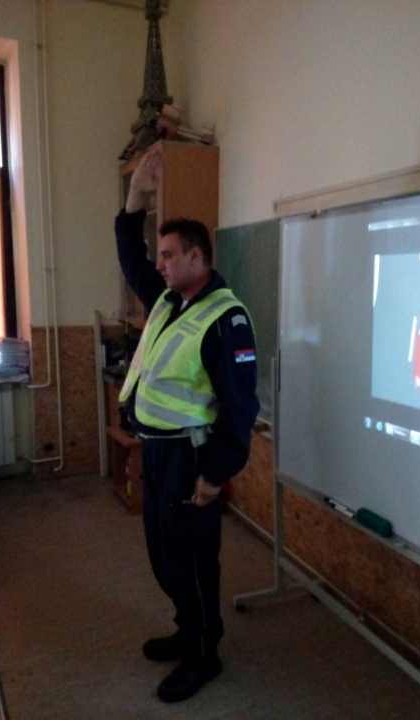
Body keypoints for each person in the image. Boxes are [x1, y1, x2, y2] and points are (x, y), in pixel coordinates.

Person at [115, 147, 259, 703]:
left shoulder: (226, 318)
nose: (161, 264)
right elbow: (133, 262)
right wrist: (136, 198)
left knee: (194, 560)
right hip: (158, 453)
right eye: (161, 255)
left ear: (198, 257)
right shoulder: (169, 302)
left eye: (170, 255)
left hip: (191, 459)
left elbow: (240, 409)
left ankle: (205, 653)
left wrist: (214, 476)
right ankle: (186, 628)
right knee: (163, 553)